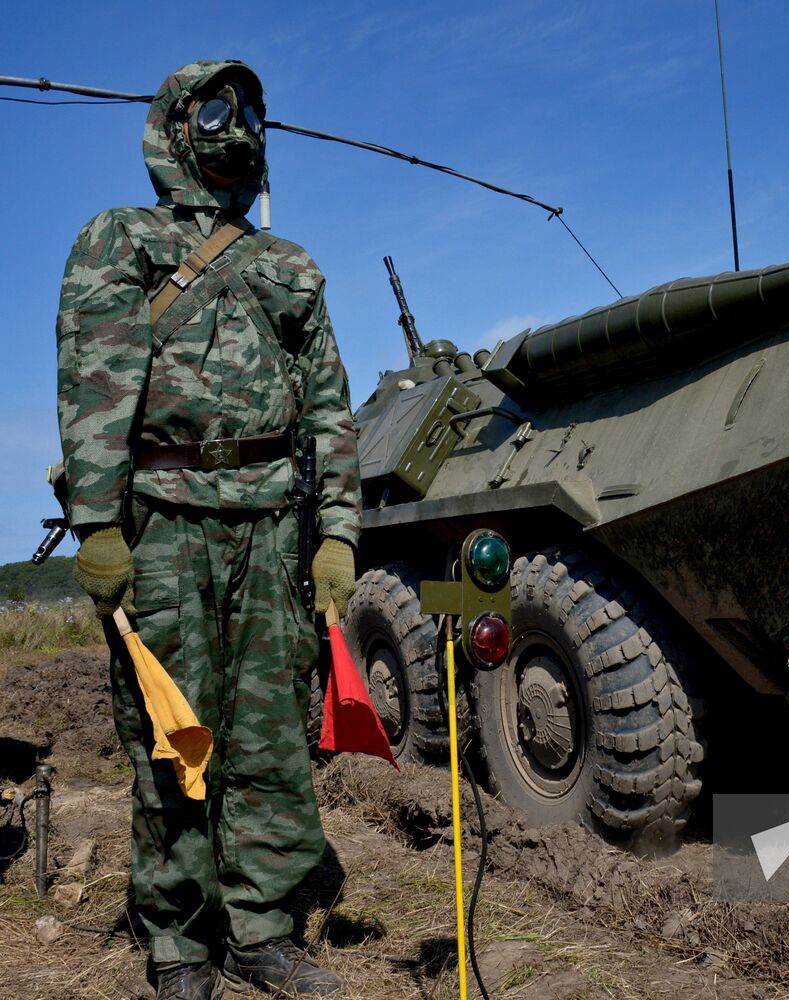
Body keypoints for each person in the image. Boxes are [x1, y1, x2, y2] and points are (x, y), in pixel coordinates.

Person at [56, 60, 360, 999]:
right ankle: (181, 942)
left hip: (272, 528)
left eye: (252, 108)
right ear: (175, 127)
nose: (239, 124)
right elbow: (96, 386)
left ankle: (262, 929)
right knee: (171, 735)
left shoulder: (289, 265)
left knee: (271, 737)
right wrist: (98, 526)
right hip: (162, 527)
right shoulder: (122, 239)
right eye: (216, 107)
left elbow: (331, 412)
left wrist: (337, 533)